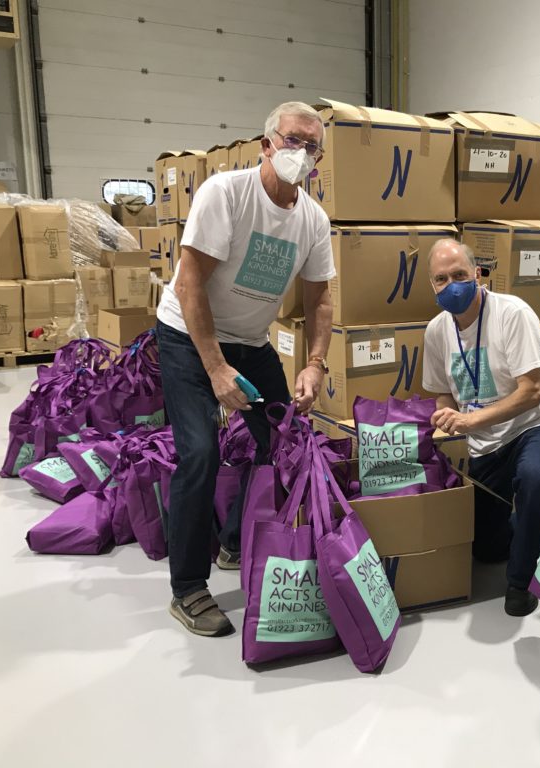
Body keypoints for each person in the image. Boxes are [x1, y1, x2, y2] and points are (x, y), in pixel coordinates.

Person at [156, 102, 335, 637]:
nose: (299, 153)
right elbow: (190, 284)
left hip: (251, 342)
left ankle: (235, 542)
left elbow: (321, 298)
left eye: (311, 146)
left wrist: (315, 365)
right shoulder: (225, 194)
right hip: (189, 336)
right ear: (266, 144)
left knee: (284, 440)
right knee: (201, 451)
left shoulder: (313, 219)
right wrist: (214, 369)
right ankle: (187, 587)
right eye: (291, 140)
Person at [422, 239, 540, 617]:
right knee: (486, 549)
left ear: (477, 275)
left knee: (535, 478)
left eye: (459, 275)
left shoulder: (512, 314)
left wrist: (469, 420)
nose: (451, 284)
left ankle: (520, 585)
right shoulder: (436, 332)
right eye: (441, 279)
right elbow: (441, 395)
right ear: (432, 286)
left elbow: (532, 393)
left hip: (533, 426)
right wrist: (445, 415)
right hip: (484, 444)